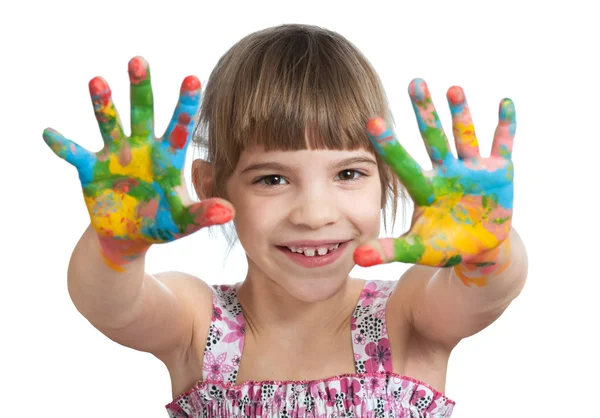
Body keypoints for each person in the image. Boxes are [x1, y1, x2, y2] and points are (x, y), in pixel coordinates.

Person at [42, 24, 528, 418]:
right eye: (272, 179)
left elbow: (487, 290)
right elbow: (111, 304)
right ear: (212, 187)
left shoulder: (408, 316)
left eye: (349, 173)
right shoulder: (199, 324)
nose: (315, 215)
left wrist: (489, 252)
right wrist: (115, 247)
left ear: (388, 178)